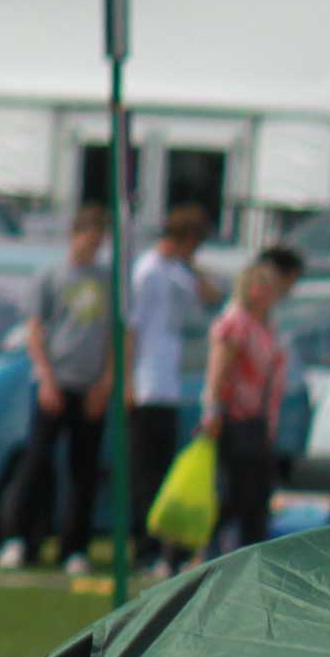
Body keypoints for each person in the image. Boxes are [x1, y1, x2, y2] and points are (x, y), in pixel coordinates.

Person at [0, 197, 112, 568]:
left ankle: (74, 546)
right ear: (73, 236)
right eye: (88, 239)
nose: (92, 248)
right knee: (37, 462)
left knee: (84, 469)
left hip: (90, 383)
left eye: (99, 242)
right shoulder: (52, 276)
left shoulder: (108, 281)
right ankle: (19, 538)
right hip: (55, 380)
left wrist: (105, 383)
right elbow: (34, 330)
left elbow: (117, 334)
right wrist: (46, 378)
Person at [123, 202, 216, 578]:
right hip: (147, 382)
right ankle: (144, 549)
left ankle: (166, 548)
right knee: (145, 472)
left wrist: (190, 265)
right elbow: (131, 328)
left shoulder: (177, 273)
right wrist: (128, 380)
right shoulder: (146, 272)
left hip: (169, 384)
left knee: (164, 472)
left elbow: (211, 296)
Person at [198, 241, 298, 558]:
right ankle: (212, 554)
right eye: (260, 286)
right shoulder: (235, 322)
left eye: (270, 287)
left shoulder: (265, 326)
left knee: (255, 494)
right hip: (234, 418)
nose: (266, 293)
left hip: (257, 419)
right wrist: (213, 410)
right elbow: (219, 369)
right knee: (231, 493)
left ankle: (250, 552)